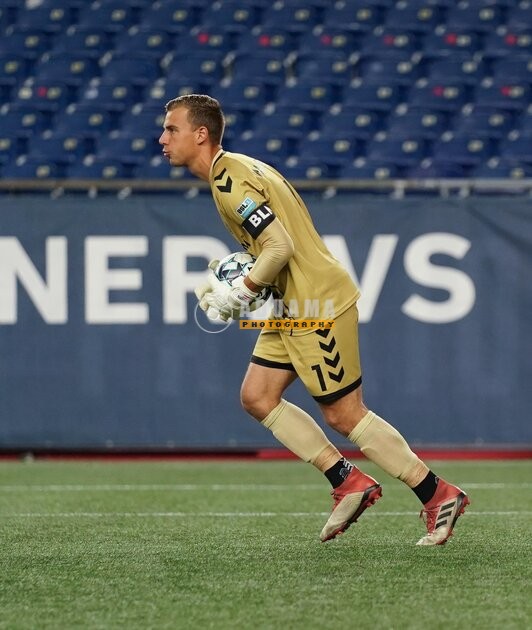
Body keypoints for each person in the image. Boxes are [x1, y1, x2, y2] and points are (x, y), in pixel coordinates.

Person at [159, 94, 470, 545]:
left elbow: (279, 247)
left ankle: (437, 494)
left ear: (200, 134)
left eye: (172, 129)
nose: (163, 138)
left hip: (314, 304)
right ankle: (348, 481)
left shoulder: (229, 182)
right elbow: (278, 244)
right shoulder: (241, 168)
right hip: (294, 302)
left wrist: (244, 288)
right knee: (258, 396)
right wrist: (253, 277)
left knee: (344, 414)